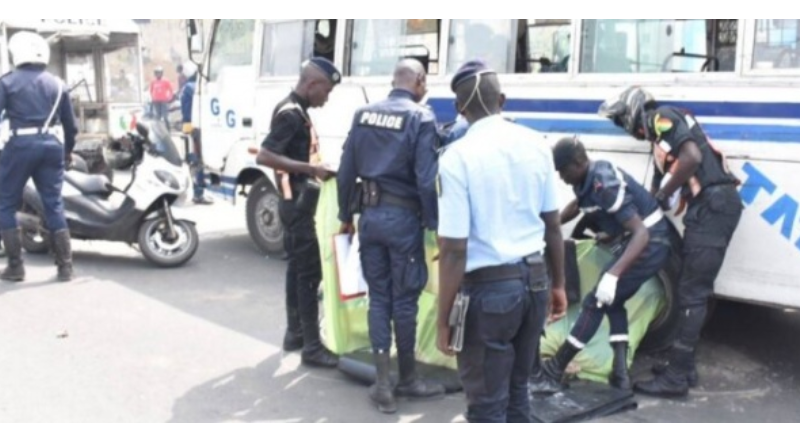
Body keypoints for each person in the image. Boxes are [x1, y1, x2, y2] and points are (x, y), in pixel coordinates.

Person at [436, 59, 566, 423]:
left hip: (489, 295)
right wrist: (558, 285)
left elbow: (453, 250)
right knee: (517, 392)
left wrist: (442, 319)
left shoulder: (456, 157)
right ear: (502, 100)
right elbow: (552, 225)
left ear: (459, 109)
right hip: (535, 284)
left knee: (486, 406)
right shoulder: (537, 144)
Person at [599, 86, 743, 398]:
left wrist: (662, 194)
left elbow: (690, 158)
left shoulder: (660, 118)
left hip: (713, 207)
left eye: (621, 120)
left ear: (633, 111)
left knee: (692, 293)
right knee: (693, 289)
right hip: (710, 208)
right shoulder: (662, 141)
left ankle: (676, 377)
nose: (625, 128)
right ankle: (683, 366)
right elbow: (656, 197)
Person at [337, 59, 443, 413]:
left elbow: (345, 172)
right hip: (403, 222)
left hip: (369, 219)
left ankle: (383, 385)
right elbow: (427, 180)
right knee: (405, 300)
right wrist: (433, 223)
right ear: (420, 81)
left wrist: (345, 216)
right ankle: (409, 378)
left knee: (379, 297)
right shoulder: (420, 117)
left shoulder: (363, 114)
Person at [529, 137, 672, 394]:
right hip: (642, 241)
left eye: (563, 170)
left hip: (650, 242)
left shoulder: (603, 183)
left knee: (595, 301)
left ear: (578, 162)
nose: (561, 177)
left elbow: (641, 233)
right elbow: (579, 206)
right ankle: (620, 374)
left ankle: (555, 368)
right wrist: (551, 225)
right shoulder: (586, 181)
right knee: (613, 303)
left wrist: (613, 275)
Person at [256, 57, 341, 368]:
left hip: (295, 202)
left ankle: (295, 333)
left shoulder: (294, 109)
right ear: (312, 85)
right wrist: (311, 169)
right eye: (326, 91)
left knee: (296, 270)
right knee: (309, 274)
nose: (326, 98)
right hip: (296, 203)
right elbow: (265, 155)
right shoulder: (291, 115)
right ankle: (312, 347)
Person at [0, 31, 78, 283]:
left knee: (6, 203)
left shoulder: (7, 82)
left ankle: (16, 267)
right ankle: (65, 267)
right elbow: (71, 126)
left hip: (20, 145)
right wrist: (67, 152)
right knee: (54, 204)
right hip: (52, 146)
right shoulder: (58, 83)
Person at [179, 61, 213, 205]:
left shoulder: (186, 87)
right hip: (196, 126)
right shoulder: (192, 87)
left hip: (190, 126)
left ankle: (198, 191)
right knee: (198, 160)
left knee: (195, 160)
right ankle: (198, 193)